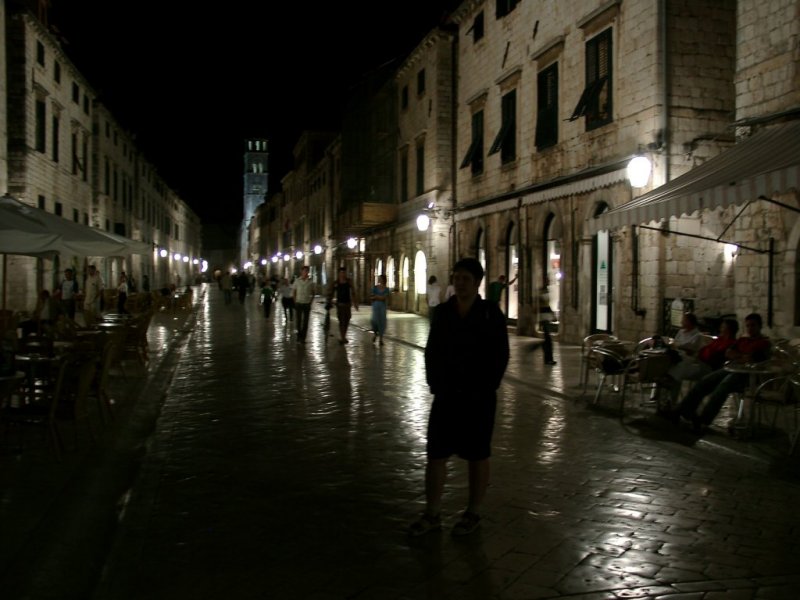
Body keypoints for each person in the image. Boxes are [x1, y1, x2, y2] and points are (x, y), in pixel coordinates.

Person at [409, 258, 510, 537]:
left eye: (465, 278)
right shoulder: (443, 313)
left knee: (478, 455)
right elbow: (432, 351)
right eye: (457, 277)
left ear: (477, 282)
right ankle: (432, 513)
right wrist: (435, 384)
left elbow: (500, 353)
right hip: (447, 395)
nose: (460, 282)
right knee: (436, 454)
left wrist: (488, 385)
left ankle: (473, 512)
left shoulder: (490, 313)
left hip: (479, 397)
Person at [674, 313, 771, 432]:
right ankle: (683, 411)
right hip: (731, 368)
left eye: (753, 325)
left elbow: (755, 359)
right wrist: (742, 357)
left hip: (747, 375)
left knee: (722, 387)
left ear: (759, 326)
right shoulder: (743, 340)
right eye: (748, 326)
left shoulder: (764, 343)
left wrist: (739, 357)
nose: (750, 328)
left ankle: (703, 420)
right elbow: (728, 353)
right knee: (705, 382)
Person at [662, 318, 739, 408]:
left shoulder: (730, 343)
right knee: (675, 363)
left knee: (678, 370)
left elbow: (714, 357)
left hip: (709, 367)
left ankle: (671, 403)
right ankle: (669, 399)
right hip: (700, 361)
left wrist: (699, 354)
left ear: (728, 329)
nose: (720, 329)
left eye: (723, 327)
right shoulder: (720, 340)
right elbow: (705, 350)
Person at [329, 267, 358, 344]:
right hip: (340, 304)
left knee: (347, 319)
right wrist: (330, 301)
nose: (342, 274)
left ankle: (343, 336)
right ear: (339, 274)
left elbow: (353, 291)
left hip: (347, 304)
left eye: (344, 273)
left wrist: (355, 303)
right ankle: (342, 337)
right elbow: (331, 292)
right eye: (341, 273)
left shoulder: (349, 282)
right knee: (341, 320)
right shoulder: (336, 282)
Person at [292, 266, 315, 343]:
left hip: (306, 303)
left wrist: (310, 301)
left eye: (306, 271)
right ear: (301, 272)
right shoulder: (297, 281)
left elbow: (313, 293)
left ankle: (303, 338)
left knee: (305, 321)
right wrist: (295, 301)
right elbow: (294, 292)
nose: (305, 273)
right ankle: (299, 336)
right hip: (299, 303)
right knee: (298, 321)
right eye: (304, 271)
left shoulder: (311, 282)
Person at [538, 286, 556, 365]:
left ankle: (548, 359)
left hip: (545, 320)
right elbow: (546, 306)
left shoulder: (542, 299)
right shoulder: (542, 299)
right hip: (545, 321)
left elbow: (547, 306)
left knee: (547, 340)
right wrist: (553, 316)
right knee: (548, 341)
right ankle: (548, 359)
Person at [370, 274, 390, 345]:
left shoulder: (387, 289)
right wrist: (378, 297)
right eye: (379, 278)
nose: (379, 280)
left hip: (382, 307)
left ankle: (381, 339)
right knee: (374, 321)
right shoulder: (375, 288)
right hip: (376, 306)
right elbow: (372, 297)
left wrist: (376, 297)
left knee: (381, 322)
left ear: (384, 280)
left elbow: (384, 298)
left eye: (381, 278)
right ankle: (375, 334)